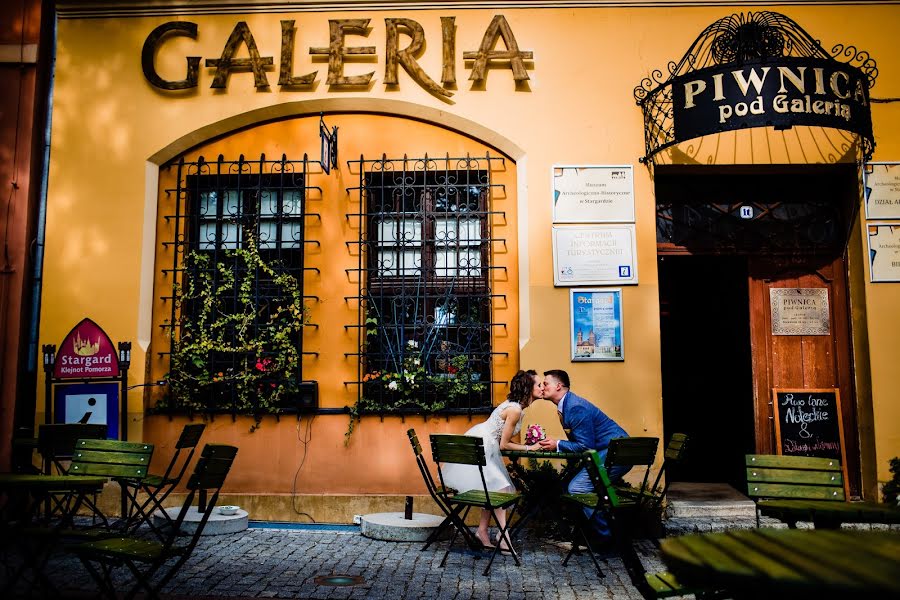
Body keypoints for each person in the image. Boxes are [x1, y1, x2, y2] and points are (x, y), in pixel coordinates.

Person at [440, 369, 544, 551]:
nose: (542, 388)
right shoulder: (514, 410)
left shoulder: (516, 407)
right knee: (501, 488)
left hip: (484, 445)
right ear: (528, 388)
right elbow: (504, 445)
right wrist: (530, 447)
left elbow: (503, 439)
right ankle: (502, 536)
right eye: (539, 384)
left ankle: (483, 531)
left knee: (493, 487)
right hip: (483, 446)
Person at [538, 369, 629, 544]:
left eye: (546, 383)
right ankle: (586, 534)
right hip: (606, 452)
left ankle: (606, 539)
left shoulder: (575, 407)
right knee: (567, 485)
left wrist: (557, 444)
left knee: (578, 488)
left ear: (559, 386)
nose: (543, 387)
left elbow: (585, 446)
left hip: (615, 453)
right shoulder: (566, 405)